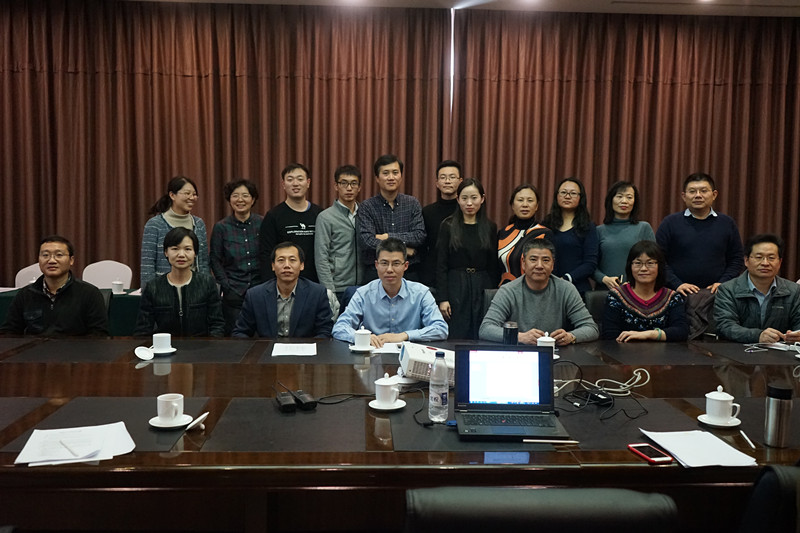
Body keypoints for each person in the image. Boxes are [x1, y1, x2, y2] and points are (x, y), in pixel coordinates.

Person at [479, 239, 598, 345]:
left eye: (545, 260)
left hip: (556, 354)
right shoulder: (508, 291)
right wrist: (520, 337)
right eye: (533, 259)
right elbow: (486, 329)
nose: (539, 266)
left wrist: (571, 336)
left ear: (552, 264)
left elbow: (591, 328)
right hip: (518, 354)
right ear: (523, 263)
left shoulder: (566, 289)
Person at [333, 238, 448, 347]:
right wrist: (362, 337)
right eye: (384, 263)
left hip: (409, 355)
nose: (389, 269)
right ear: (376, 265)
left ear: (405, 266)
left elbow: (441, 329)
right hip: (373, 354)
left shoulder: (421, 293)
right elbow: (339, 328)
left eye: (396, 263)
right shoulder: (363, 294)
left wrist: (404, 336)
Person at [656, 173, 744, 296]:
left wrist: (723, 283)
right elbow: (658, 259)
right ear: (684, 196)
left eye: (703, 191)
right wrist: (677, 284)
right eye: (692, 191)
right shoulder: (670, 223)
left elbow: (736, 259)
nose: (698, 195)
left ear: (714, 195)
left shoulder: (727, 223)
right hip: (677, 293)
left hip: (718, 294)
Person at [0, 236, 108, 336]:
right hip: (35, 350)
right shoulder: (25, 294)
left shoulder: (89, 293)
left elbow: (99, 335)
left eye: (59, 255)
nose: (51, 260)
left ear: (71, 260)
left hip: (75, 350)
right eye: (45, 255)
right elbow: (9, 332)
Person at [436, 179, 498, 339]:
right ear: (458, 199)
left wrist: (492, 293)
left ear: (482, 199)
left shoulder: (490, 227)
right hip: (456, 285)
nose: (469, 203)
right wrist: (443, 298)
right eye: (464, 198)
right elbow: (441, 265)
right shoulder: (448, 226)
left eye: (474, 198)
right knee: (457, 332)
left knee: (481, 332)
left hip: (482, 285)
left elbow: (493, 265)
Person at [135, 228, 225, 337]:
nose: (181, 254)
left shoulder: (207, 283)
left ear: (195, 253)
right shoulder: (153, 287)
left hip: (200, 345)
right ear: (166, 252)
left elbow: (217, 325)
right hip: (165, 346)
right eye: (175, 249)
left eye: (187, 249)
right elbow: (143, 330)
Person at [233, 242, 333, 338]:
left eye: (292, 260)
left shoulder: (317, 293)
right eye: (281, 260)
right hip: (268, 348)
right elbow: (240, 332)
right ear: (273, 266)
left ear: (302, 265)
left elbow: (325, 331)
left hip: (304, 348)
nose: (287, 265)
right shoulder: (255, 295)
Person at [714, 234, 800, 344]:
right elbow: (725, 326)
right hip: (738, 351)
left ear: (779, 262)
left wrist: (797, 335)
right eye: (759, 257)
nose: (765, 263)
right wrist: (757, 336)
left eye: (771, 258)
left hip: (781, 352)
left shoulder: (794, 291)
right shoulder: (727, 290)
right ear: (746, 261)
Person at [602, 240, 688, 342]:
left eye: (650, 263)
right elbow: (609, 335)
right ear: (630, 266)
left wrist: (650, 334)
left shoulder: (673, 297)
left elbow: (682, 332)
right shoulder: (615, 296)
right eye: (638, 263)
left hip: (663, 351)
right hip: (624, 350)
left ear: (660, 266)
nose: (643, 268)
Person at [358, 154, 426, 282]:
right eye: (385, 173)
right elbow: (367, 241)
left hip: (409, 272)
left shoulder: (412, 203)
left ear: (401, 176)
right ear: (377, 178)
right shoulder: (367, 206)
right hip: (376, 273)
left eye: (395, 172)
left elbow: (419, 236)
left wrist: (387, 237)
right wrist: (404, 250)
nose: (391, 177)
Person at [210, 179, 263, 335]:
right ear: (229, 199)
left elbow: (269, 254)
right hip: (234, 292)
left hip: (260, 289)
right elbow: (215, 259)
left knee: (263, 337)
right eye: (235, 196)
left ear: (253, 199)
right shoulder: (221, 227)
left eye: (245, 195)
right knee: (236, 338)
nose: (240, 200)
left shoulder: (262, 223)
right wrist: (226, 285)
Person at [258, 163, 323, 283]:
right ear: (283, 184)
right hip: (284, 282)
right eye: (290, 179)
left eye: (300, 179)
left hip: (315, 282)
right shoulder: (273, 216)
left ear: (308, 183)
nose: (295, 183)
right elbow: (266, 254)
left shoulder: (320, 214)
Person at [140, 176, 209, 289]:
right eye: (187, 193)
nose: (192, 197)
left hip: (195, 288)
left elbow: (204, 261)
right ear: (172, 195)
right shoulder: (155, 224)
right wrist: (149, 292)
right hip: (163, 289)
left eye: (194, 194)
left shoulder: (198, 224)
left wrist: (206, 287)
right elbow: (147, 264)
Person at [314, 165, 364, 302]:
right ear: (336, 186)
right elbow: (321, 257)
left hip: (364, 286)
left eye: (354, 183)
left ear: (359, 187)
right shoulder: (325, 217)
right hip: (338, 288)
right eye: (344, 183)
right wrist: (329, 291)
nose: (349, 188)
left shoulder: (366, 214)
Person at [542, 177, 598, 298]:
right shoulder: (546, 224)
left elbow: (590, 263)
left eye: (573, 193)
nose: (567, 196)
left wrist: (566, 278)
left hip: (577, 290)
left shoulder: (588, 226)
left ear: (580, 198)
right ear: (557, 196)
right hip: (547, 288)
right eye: (563, 192)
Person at [593, 181, 655, 290]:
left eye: (629, 197)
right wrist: (604, 279)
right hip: (605, 291)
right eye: (619, 196)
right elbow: (590, 265)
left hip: (637, 290)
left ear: (635, 202)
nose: (624, 201)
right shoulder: (598, 231)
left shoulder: (644, 228)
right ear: (611, 200)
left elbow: (654, 262)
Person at [497, 183, 552, 285]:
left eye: (530, 200)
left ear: (536, 206)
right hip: (505, 290)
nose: (525, 204)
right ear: (512, 205)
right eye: (520, 200)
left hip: (534, 289)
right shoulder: (503, 233)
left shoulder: (545, 233)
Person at [421, 160, 463, 287]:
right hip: (432, 276)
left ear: (460, 181)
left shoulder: (467, 211)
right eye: (443, 177)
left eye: (452, 177)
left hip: (460, 276)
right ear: (437, 183)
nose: (447, 181)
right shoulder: (427, 212)